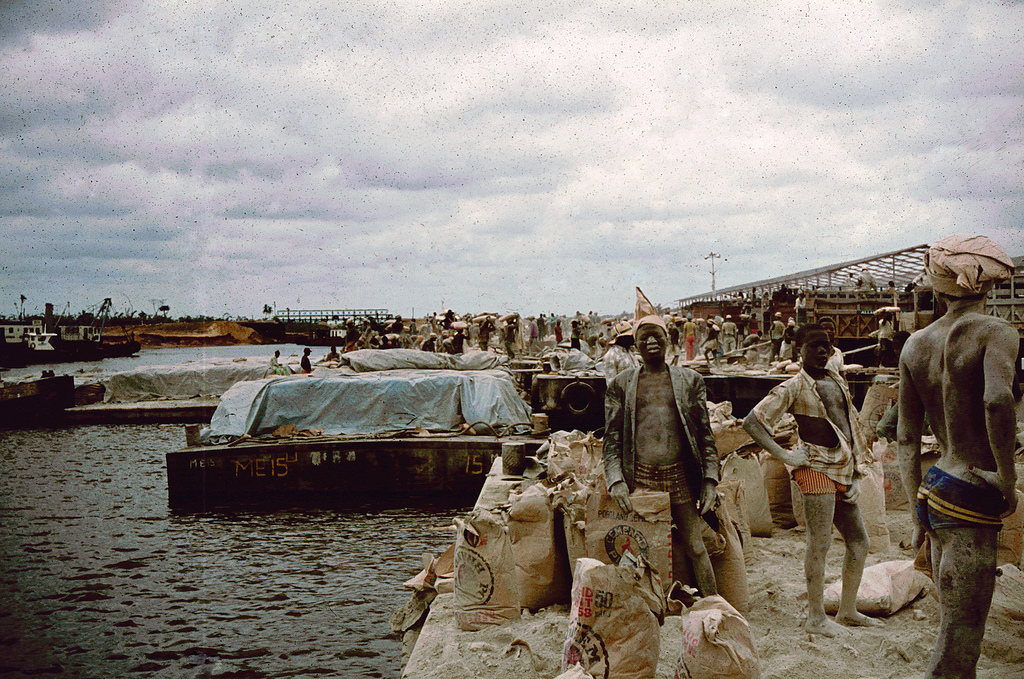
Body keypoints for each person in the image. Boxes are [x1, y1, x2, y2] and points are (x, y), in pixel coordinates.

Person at [897, 235, 1018, 679]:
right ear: (986, 283)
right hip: (971, 488)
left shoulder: (915, 345)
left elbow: (906, 439)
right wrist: (1007, 479)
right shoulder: (997, 332)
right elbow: (997, 402)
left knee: (950, 623)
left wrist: (916, 513)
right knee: (961, 637)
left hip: (936, 488)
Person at [743, 324, 881, 637]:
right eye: (815, 345)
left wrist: (858, 470)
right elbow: (753, 422)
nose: (822, 351)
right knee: (819, 544)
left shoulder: (836, 379)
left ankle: (847, 611)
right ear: (799, 351)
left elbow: (851, 424)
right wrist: (786, 455)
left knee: (859, 541)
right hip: (814, 466)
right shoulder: (793, 386)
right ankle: (816, 617)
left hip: (842, 466)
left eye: (826, 346)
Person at [604, 309, 720, 596]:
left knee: (696, 546)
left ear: (668, 340)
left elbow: (705, 435)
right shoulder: (622, 383)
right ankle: (649, 608)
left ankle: (714, 604)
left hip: (679, 477)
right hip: (639, 478)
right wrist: (615, 479)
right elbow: (612, 437)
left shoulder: (689, 380)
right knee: (642, 550)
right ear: (636, 344)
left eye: (657, 335)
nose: (651, 342)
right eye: (644, 337)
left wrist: (710, 480)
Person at [601, 320, 638, 387]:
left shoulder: (629, 351)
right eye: (630, 336)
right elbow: (611, 384)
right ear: (621, 338)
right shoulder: (611, 356)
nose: (633, 338)